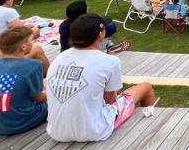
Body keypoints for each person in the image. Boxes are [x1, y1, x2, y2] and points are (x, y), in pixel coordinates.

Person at [46, 14, 156, 142]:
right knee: (145, 87)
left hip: (56, 132)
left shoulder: (59, 58)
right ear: (100, 34)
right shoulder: (110, 61)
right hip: (95, 131)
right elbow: (111, 101)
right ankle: (151, 131)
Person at [0, 26, 48, 136]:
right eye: (32, 40)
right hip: (18, 123)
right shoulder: (32, 65)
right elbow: (39, 99)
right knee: (58, 95)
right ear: (23, 47)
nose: (34, 42)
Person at [59, 0, 128, 54]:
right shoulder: (85, 25)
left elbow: (64, 45)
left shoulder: (64, 25)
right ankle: (107, 47)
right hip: (84, 51)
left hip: (70, 51)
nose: (88, 8)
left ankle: (109, 45)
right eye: (86, 8)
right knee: (109, 26)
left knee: (104, 21)